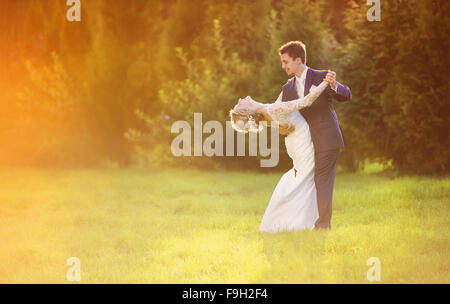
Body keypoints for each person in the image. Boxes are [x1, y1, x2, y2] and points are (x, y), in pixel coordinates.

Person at [231, 40, 352, 231]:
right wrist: (280, 128)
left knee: (322, 182)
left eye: (286, 61)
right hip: (305, 143)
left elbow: (347, 95)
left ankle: (322, 226)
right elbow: (275, 112)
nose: (283, 66)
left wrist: (334, 85)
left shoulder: (322, 76)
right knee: (311, 183)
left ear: (298, 59)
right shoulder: (287, 88)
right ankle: (310, 223)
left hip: (327, 139)